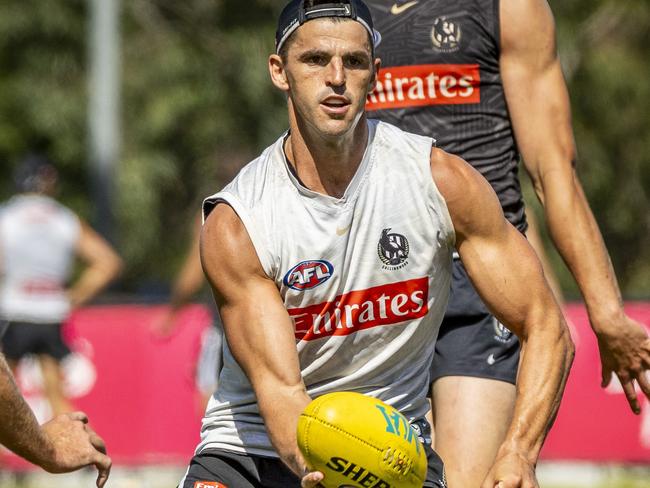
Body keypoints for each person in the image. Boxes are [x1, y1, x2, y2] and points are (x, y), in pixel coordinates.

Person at [178, 1, 573, 487]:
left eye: (355, 61)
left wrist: (519, 452)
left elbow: (545, 324)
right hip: (255, 452)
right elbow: (282, 395)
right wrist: (320, 470)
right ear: (280, 72)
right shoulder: (239, 222)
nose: (337, 77)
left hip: (393, 455)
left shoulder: (439, 182)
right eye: (315, 60)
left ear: (376, 73)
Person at [365, 0, 650, 486]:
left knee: (468, 478)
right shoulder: (332, 12)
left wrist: (604, 311)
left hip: (480, 277)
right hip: (372, 278)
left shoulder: (508, 7)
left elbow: (552, 169)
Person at [0, 154, 123, 416]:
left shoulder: (7, 216)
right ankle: (84, 455)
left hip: (14, 310)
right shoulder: (64, 218)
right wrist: (74, 296)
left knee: (3, 393)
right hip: (51, 313)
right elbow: (108, 262)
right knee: (57, 400)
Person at [0, 351, 111, 487]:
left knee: (53, 395)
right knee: (56, 395)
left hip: (24, 332)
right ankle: (91, 463)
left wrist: (47, 451)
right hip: (43, 332)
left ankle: (90, 461)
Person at [152, 211, 224, 410]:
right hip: (277, 322)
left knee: (211, 404)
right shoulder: (277, 202)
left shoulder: (217, 208)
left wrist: (172, 314)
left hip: (227, 327)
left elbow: (193, 273)